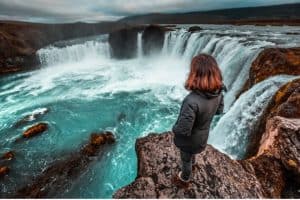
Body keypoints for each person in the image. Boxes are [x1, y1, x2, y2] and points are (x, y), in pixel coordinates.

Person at [172, 54, 225, 186]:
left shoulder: (191, 101)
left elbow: (183, 130)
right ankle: (193, 164)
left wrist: (174, 128)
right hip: (203, 136)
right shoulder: (218, 93)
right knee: (192, 154)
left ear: (194, 74)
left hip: (189, 141)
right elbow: (219, 111)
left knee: (185, 160)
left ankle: (184, 178)